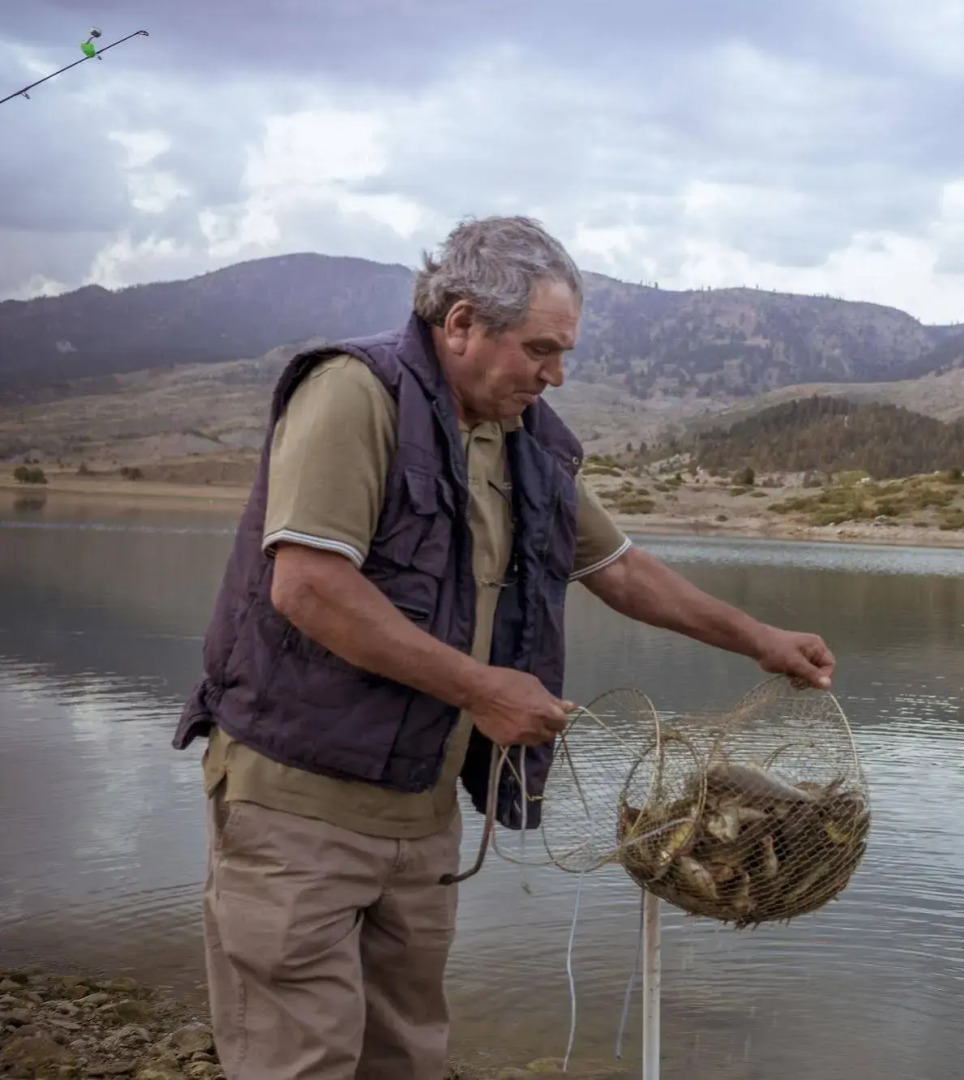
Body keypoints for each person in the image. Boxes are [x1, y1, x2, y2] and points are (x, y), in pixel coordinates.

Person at [171, 215, 836, 1079]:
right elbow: (308, 588)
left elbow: (621, 570)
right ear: (459, 323)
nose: (555, 374)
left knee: (405, 1054)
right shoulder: (352, 392)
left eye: (563, 353)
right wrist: (482, 691)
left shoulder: (517, 436)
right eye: (540, 349)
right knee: (298, 1061)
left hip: (420, 811)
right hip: (298, 809)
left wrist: (762, 640)